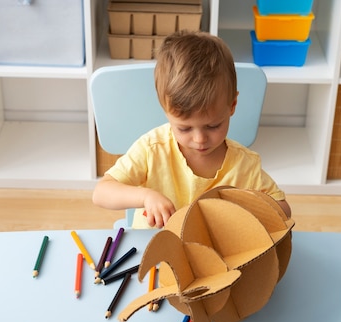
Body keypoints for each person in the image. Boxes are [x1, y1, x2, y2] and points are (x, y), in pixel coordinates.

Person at [92, 30, 291, 229]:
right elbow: (101, 193)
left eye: (213, 126)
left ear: (232, 105)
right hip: (153, 247)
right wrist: (146, 196)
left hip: (214, 253)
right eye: (184, 128)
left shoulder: (244, 165)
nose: (199, 139)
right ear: (166, 111)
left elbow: (284, 210)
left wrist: (245, 209)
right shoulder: (152, 149)